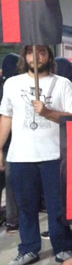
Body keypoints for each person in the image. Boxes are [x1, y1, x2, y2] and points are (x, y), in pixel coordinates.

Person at [0, 45, 72, 265]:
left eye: (42, 52)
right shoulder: (12, 84)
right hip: (21, 156)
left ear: (49, 56)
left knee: (58, 207)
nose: (36, 57)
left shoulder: (62, 84)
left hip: (55, 155)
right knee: (26, 207)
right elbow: (6, 116)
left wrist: (47, 112)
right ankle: (28, 248)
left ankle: (63, 246)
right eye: (30, 52)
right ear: (25, 56)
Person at [0, 53, 20, 233]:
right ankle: (12, 221)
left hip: (6, 143)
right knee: (12, 185)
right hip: (13, 143)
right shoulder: (16, 88)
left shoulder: (7, 87)